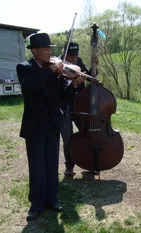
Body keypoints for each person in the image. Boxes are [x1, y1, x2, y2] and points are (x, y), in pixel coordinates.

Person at [16, 33, 86, 221]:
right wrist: (51, 71)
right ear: (36, 51)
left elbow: (63, 96)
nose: (50, 52)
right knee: (37, 166)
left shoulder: (56, 71)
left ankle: (52, 199)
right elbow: (30, 88)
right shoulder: (24, 68)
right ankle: (36, 204)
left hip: (53, 124)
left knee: (51, 164)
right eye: (46, 49)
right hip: (35, 125)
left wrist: (74, 85)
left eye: (50, 49)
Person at [59, 41, 98, 177]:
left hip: (80, 103)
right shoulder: (57, 65)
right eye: (70, 56)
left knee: (86, 132)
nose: (73, 59)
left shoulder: (79, 61)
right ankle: (69, 166)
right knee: (68, 136)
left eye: (75, 56)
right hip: (65, 106)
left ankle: (90, 164)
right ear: (64, 53)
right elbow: (60, 93)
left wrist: (95, 67)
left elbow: (90, 77)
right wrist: (74, 84)